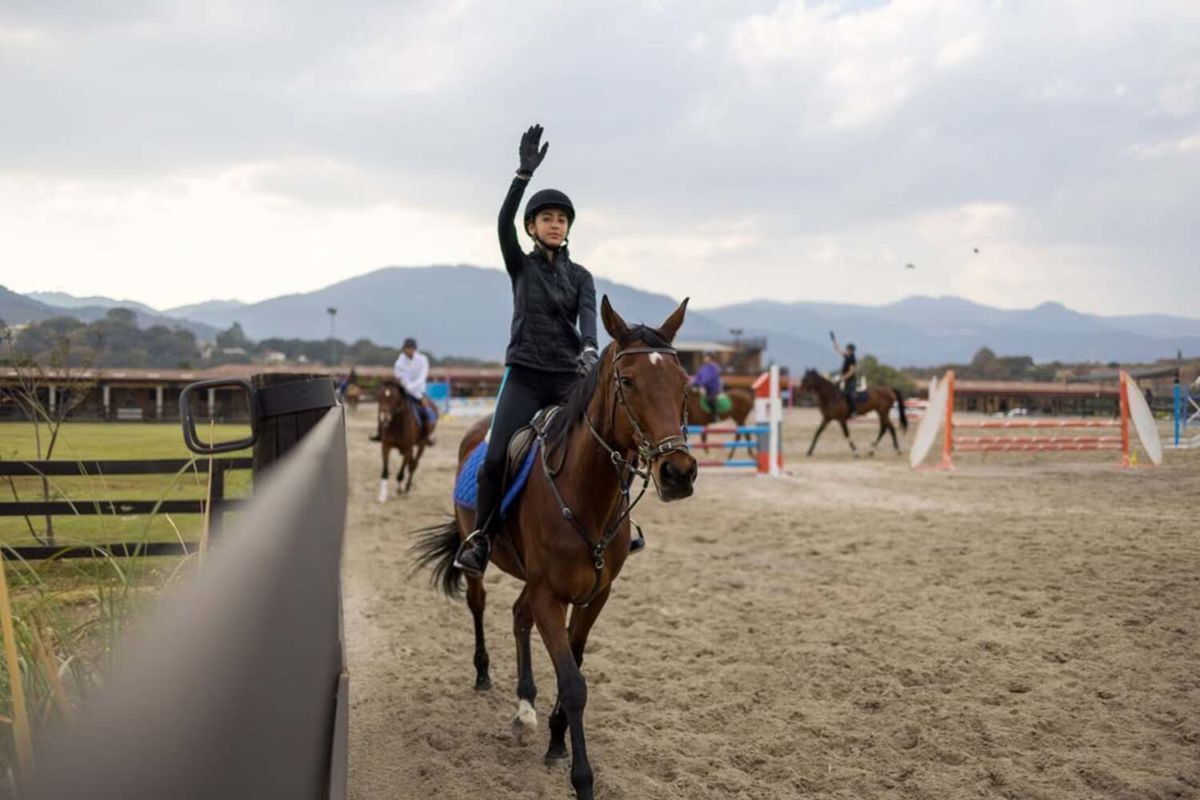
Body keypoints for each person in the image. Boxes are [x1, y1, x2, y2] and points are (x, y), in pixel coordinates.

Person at [453, 124, 606, 579]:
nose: (555, 224)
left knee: (607, 444)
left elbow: (589, 318)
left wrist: (591, 348)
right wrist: (522, 176)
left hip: (568, 379)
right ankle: (481, 538)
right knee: (496, 455)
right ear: (532, 227)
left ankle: (621, 526)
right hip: (524, 376)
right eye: (547, 219)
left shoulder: (582, 277)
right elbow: (502, 223)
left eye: (562, 219)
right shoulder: (520, 265)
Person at [370, 339, 437, 444]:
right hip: (403, 391)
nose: (409, 350)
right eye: (407, 348)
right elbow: (402, 379)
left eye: (411, 348)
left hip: (419, 391)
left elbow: (422, 377)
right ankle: (380, 433)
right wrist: (407, 388)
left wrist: (414, 390)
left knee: (427, 411)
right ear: (404, 349)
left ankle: (426, 435)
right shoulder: (399, 363)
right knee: (386, 408)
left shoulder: (423, 360)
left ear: (415, 349)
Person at [830, 331, 857, 415]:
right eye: (846, 349)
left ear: (851, 351)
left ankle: (854, 411)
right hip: (844, 379)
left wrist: (842, 378)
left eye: (848, 349)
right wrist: (833, 339)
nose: (846, 350)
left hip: (851, 381)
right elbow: (838, 349)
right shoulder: (846, 356)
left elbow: (851, 372)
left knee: (849, 394)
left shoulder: (852, 359)